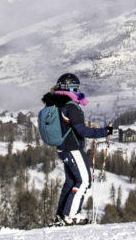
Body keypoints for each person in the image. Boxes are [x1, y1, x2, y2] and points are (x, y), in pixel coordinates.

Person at [39, 72, 113, 225]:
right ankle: (71, 215)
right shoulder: (71, 107)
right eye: (76, 88)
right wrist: (105, 131)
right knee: (84, 181)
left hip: (63, 148)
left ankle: (61, 214)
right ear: (71, 89)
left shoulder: (57, 104)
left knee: (71, 182)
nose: (79, 91)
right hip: (73, 148)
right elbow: (82, 131)